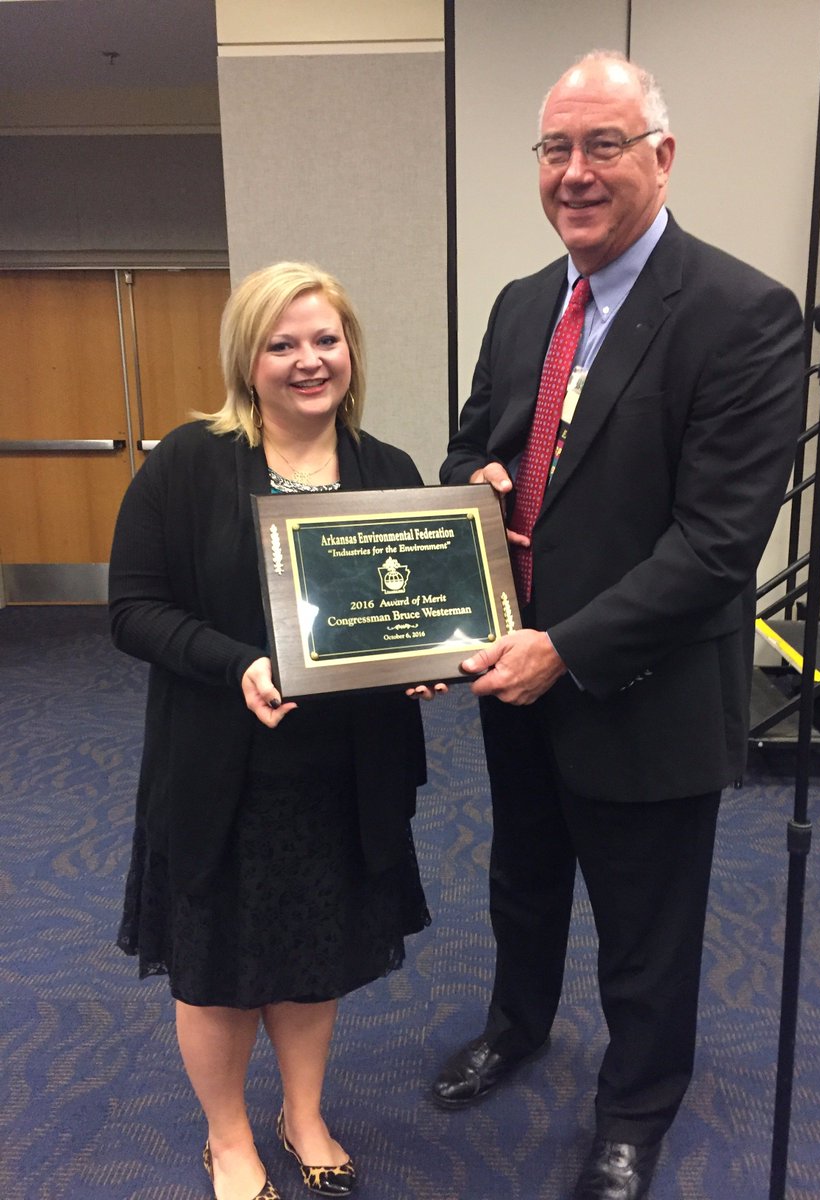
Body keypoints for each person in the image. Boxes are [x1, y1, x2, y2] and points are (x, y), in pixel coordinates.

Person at [432, 50, 804, 1200]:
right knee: (524, 876)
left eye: (604, 145)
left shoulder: (743, 313)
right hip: (514, 670)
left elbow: (716, 545)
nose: (576, 173)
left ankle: (636, 1112)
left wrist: (569, 650)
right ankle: (517, 1026)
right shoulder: (522, 304)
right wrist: (473, 484)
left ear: (662, 156)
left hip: (642, 689)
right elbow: (470, 447)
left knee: (648, 926)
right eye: (557, 149)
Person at [109, 261, 444, 1200]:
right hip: (223, 767)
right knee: (216, 966)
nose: (309, 361)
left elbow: (411, 612)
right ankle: (228, 1139)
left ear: (351, 351)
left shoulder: (387, 470)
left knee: (313, 953)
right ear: (246, 361)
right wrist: (239, 664)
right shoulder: (188, 462)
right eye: (282, 344)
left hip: (345, 769)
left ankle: (303, 1114)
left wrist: (425, 660)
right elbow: (132, 610)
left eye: (326, 340)